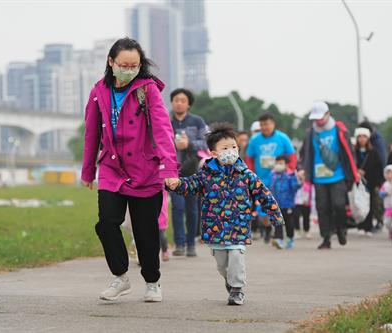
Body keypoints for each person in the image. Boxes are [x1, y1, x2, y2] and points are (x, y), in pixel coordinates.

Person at [81, 37, 178, 303]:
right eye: (124, 64)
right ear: (111, 62)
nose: (129, 69)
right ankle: (121, 277)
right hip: (112, 168)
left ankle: (152, 281)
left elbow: (162, 130)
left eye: (134, 65)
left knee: (146, 232)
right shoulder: (99, 90)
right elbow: (91, 133)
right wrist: (88, 171)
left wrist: (169, 167)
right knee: (106, 224)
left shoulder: (148, 90)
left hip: (144, 170)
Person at [165, 122, 283, 306]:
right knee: (222, 265)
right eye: (225, 148)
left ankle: (237, 289)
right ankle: (230, 280)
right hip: (215, 228)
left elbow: (263, 193)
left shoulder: (246, 174)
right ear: (213, 153)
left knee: (236, 255)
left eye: (234, 147)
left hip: (239, 226)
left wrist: (274, 214)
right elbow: (191, 184)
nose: (231, 151)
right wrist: (176, 183)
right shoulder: (206, 175)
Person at [298, 101, 359, 250]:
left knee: (338, 205)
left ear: (328, 114)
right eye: (315, 118)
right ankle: (326, 238)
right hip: (319, 177)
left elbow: (349, 152)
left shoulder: (339, 130)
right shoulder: (310, 133)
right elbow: (304, 153)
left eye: (320, 117)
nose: (318, 121)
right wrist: (302, 169)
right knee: (322, 207)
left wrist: (353, 173)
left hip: (338, 175)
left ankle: (340, 229)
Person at [170, 88, 208, 257]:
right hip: (173, 170)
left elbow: (206, 143)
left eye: (182, 100)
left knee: (192, 208)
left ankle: (191, 243)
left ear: (188, 104)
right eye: (176, 100)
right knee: (177, 207)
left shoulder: (197, 121)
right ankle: (179, 243)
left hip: (193, 171)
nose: (179, 103)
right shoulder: (165, 122)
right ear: (172, 102)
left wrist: (189, 143)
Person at [246, 113, 296, 243]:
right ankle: (268, 228)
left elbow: (292, 156)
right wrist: (251, 174)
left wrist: (289, 170)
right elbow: (249, 159)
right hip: (262, 180)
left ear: (273, 124)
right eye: (262, 124)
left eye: (267, 124)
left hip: (279, 179)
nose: (264, 127)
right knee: (262, 211)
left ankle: (278, 235)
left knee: (277, 206)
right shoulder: (255, 140)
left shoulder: (282, 138)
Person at [354, 127, 384, 236]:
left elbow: (378, 168)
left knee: (370, 204)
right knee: (358, 204)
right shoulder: (354, 152)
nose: (361, 139)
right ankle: (360, 226)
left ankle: (368, 226)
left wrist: (377, 183)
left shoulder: (374, 152)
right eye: (359, 136)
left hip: (369, 182)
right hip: (357, 183)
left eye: (364, 136)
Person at [268, 155, 300, 249]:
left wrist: (298, 182)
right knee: (278, 222)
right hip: (276, 203)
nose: (278, 165)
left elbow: (295, 187)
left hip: (288, 203)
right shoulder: (272, 174)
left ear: (286, 165)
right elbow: (269, 186)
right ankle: (279, 239)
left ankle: (290, 238)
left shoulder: (290, 174)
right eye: (277, 163)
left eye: (281, 163)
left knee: (289, 222)